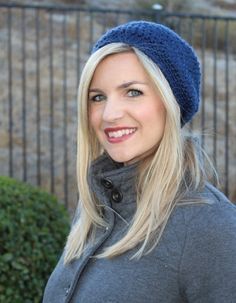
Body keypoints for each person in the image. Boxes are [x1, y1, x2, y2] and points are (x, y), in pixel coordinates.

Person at [43, 21, 236, 303]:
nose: (109, 114)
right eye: (97, 97)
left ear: (170, 103)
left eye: (133, 92)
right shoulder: (97, 205)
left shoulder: (212, 228)